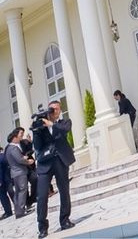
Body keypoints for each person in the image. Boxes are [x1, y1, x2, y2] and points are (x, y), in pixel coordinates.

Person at [33, 101, 75, 238]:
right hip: (44, 164)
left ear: (60, 110)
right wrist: (37, 130)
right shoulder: (41, 126)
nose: (54, 111)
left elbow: (64, 131)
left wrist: (51, 124)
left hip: (60, 161)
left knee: (64, 191)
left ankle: (65, 220)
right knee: (42, 196)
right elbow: (37, 146)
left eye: (56, 109)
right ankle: (42, 227)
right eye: (51, 109)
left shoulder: (64, 123)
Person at [4, 128, 33, 219]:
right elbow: (19, 160)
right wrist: (28, 161)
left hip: (15, 173)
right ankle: (20, 211)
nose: (21, 137)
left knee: (18, 192)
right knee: (22, 191)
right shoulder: (13, 148)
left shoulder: (8, 148)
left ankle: (19, 211)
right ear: (14, 137)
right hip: (19, 172)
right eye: (20, 134)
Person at [0, 145, 13, 219]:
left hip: (3, 180)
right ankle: (19, 208)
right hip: (8, 178)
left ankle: (8, 212)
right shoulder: (4, 156)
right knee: (11, 193)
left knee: (3, 196)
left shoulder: (1, 157)